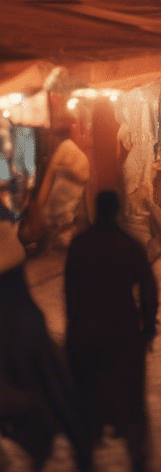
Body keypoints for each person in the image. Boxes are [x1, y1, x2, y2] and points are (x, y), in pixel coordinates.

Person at [0, 194, 96, 472]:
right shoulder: (6, 221)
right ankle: (78, 447)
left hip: (14, 330)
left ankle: (58, 446)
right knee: (54, 389)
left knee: (44, 392)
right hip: (27, 324)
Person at [64, 191, 158, 472]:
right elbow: (149, 289)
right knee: (130, 398)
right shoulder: (129, 244)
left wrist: (73, 328)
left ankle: (85, 455)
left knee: (86, 398)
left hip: (87, 332)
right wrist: (148, 327)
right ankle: (137, 458)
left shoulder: (80, 245)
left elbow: (70, 293)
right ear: (117, 211)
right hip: (124, 332)